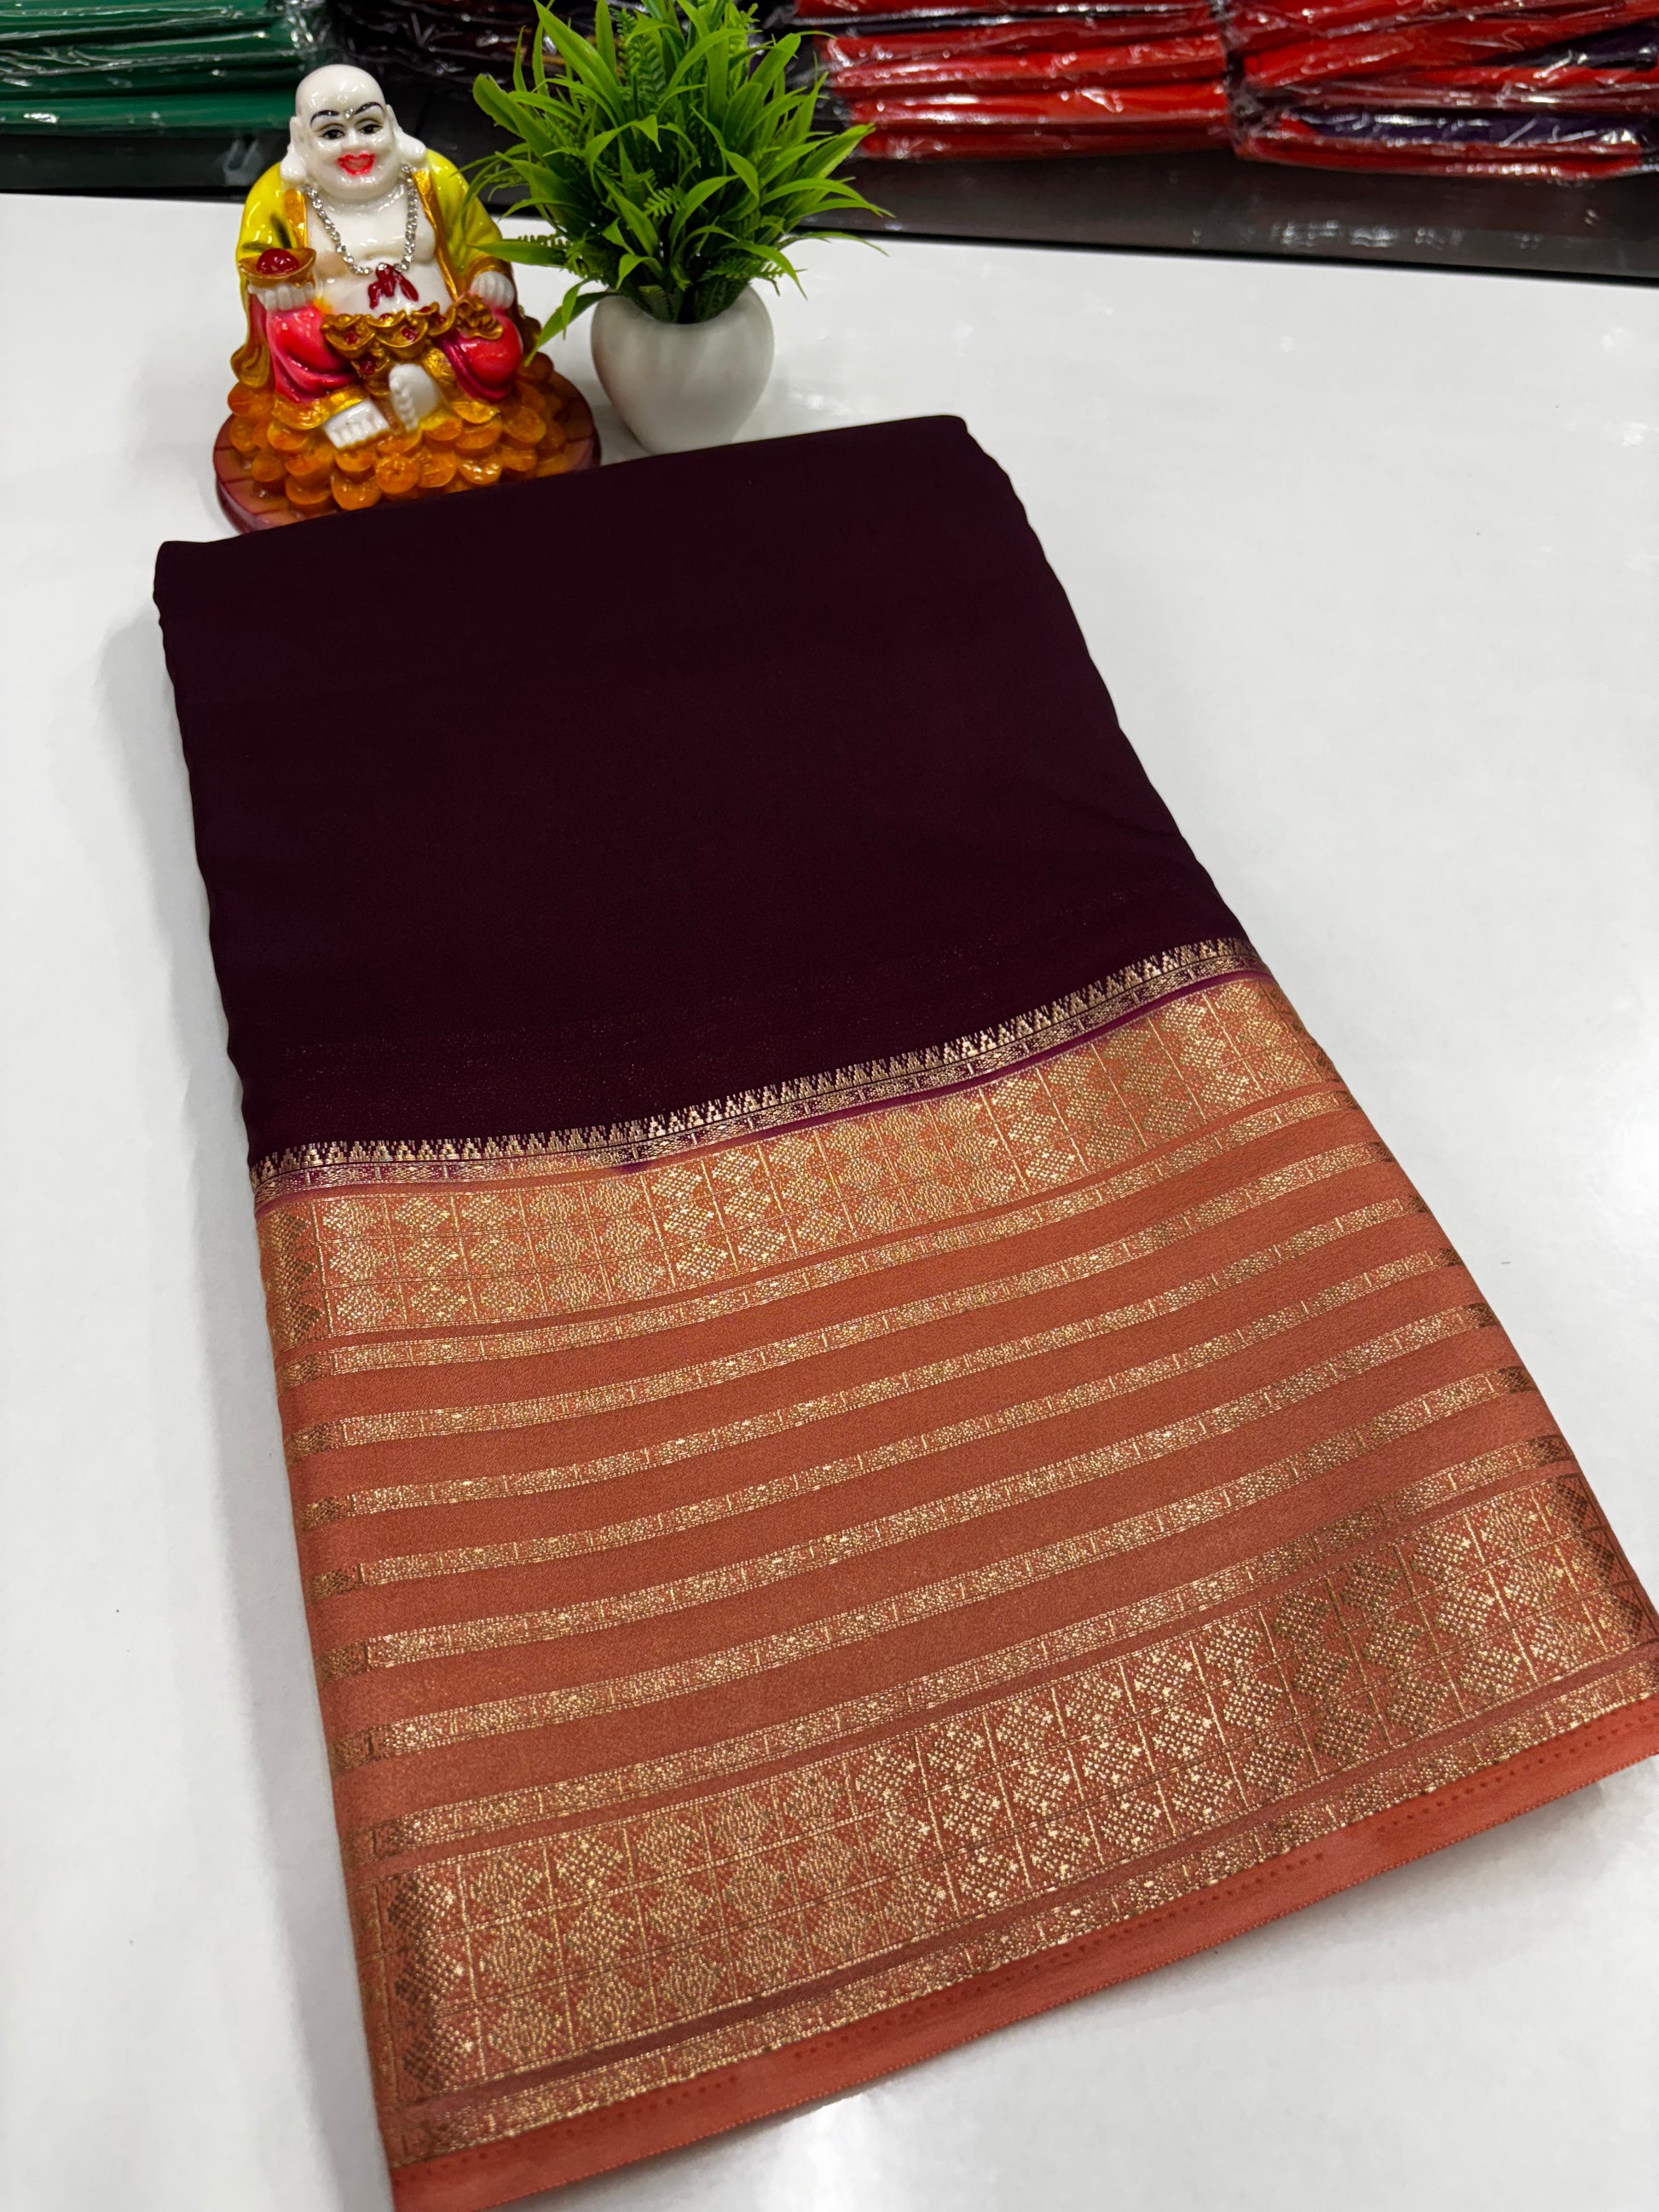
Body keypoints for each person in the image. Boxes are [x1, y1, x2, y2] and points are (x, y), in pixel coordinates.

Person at [226, 64, 570, 513]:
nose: (355, 146)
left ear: (390, 121)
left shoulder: (432, 176)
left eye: (368, 126)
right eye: (332, 133)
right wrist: (275, 286)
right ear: (301, 137)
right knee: (289, 327)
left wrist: (488, 271)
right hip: (339, 344)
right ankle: (342, 404)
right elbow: (257, 256)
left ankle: (432, 385)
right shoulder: (280, 194)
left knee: (499, 341)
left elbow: (478, 238)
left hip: (442, 330)